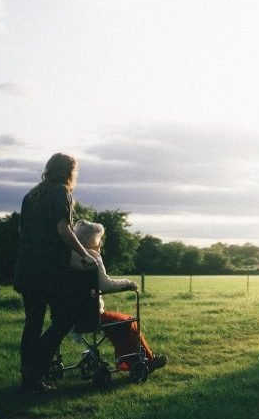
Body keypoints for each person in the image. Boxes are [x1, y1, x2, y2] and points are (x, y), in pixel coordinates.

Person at [14, 153, 97, 393]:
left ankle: (29, 378)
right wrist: (84, 254)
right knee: (64, 319)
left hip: (26, 267)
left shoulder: (31, 195)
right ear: (69, 171)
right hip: (48, 270)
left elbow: (23, 232)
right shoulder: (62, 192)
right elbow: (63, 229)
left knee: (33, 323)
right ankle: (35, 368)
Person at [70, 220, 168, 373]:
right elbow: (106, 285)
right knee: (128, 322)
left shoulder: (68, 255)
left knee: (117, 322)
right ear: (91, 240)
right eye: (99, 238)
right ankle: (144, 360)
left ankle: (134, 360)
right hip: (91, 315)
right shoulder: (92, 256)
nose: (100, 242)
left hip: (69, 315)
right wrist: (128, 283)